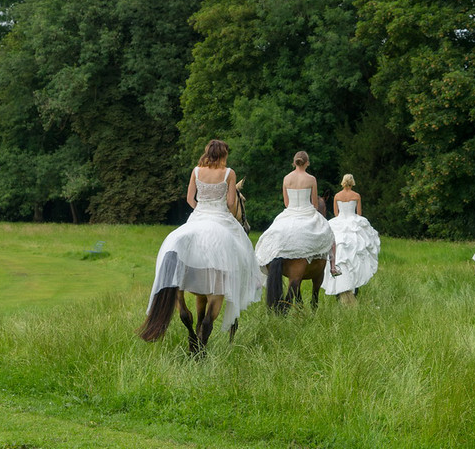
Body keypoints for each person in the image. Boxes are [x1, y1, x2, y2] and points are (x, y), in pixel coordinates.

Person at [144, 139, 264, 337]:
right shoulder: (229, 173)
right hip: (220, 217)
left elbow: (190, 199)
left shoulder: (196, 171)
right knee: (243, 244)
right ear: (223, 154)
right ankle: (252, 279)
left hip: (199, 215)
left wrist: (202, 209)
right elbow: (232, 203)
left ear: (207, 153)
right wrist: (222, 211)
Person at [254, 151, 338, 275]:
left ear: (294, 162)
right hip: (307, 211)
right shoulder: (311, 179)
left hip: (290, 212)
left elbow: (286, 203)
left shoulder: (286, 178)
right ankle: (333, 267)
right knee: (330, 236)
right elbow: (315, 204)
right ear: (307, 163)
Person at [321, 173, 380, 298]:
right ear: (352, 182)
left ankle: (338, 282)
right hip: (353, 220)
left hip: (340, 222)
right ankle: (355, 281)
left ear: (343, 182)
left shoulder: (337, 195)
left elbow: (336, 213)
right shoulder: (356, 195)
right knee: (360, 250)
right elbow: (359, 213)